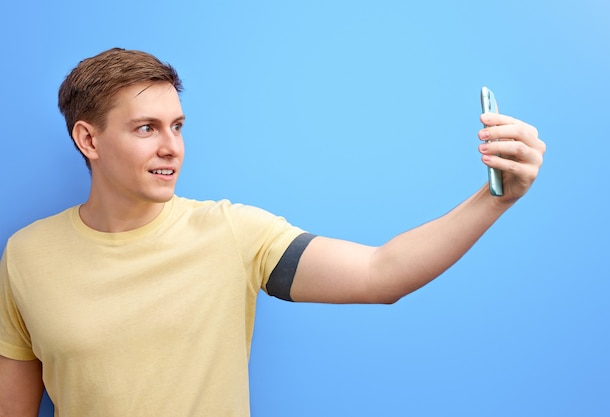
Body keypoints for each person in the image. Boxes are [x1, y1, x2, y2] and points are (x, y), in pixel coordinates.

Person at [0, 48, 545, 417]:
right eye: (146, 128)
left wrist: (495, 199)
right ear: (88, 140)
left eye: (178, 126)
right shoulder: (27, 255)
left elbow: (383, 274)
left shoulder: (233, 233)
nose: (172, 146)